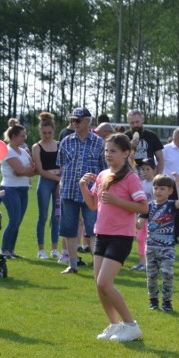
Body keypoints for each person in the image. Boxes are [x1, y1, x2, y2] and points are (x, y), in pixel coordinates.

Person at [80, 133, 148, 342]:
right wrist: (83, 186)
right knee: (99, 284)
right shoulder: (102, 175)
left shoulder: (131, 178)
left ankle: (131, 325)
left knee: (104, 283)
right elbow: (93, 205)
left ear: (126, 153)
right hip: (101, 234)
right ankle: (114, 324)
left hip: (121, 236)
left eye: (113, 151)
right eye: (107, 150)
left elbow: (143, 207)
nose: (108, 154)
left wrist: (118, 200)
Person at [57, 107, 105, 273]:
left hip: (91, 193)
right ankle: (73, 264)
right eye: (72, 120)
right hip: (69, 190)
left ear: (87, 121)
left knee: (93, 230)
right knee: (69, 229)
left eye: (77, 120)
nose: (74, 123)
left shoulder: (99, 142)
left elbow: (104, 169)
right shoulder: (66, 141)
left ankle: (97, 266)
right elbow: (62, 166)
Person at [142, 173, 179, 312]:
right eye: (156, 188)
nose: (158, 191)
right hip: (150, 247)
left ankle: (167, 302)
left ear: (170, 191)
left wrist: (177, 181)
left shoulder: (171, 205)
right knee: (151, 276)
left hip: (167, 248)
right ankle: (153, 301)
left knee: (167, 274)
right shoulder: (147, 206)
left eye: (162, 188)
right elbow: (139, 224)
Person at [0, 119, 35, 257]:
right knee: (14, 220)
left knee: (18, 221)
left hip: (23, 189)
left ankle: (10, 250)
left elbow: (33, 169)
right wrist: (24, 170)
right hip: (10, 188)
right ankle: (3, 250)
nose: (25, 138)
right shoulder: (7, 151)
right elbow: (21, 170)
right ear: (14, 136)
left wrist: (24, 170)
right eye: (22, 135)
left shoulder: (24, 151)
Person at [32, 112, 62, 260]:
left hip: (59, 182)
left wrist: (60, 181)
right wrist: (57, 178)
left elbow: (64, 164)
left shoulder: (59, 145)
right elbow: (41, 170)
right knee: (42, 216)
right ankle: (41, 249)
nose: (47, 135)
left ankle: (55, 248)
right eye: (44, 133)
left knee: (56, 216)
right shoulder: (36, 147)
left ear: (54, 130)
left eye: (49, 132)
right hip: (45, 182)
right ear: (40, 131)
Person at [131, 160, 156, 271]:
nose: (145, 172)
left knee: (151, 239)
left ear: (154, 170)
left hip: (154, 216)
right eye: (143, 169)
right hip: (142, 214)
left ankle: (151, 263)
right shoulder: (140, 183)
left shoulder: (156, 184)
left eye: (148, 169)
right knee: (140, 238)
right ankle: (142, 262)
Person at [129, 109, 164, 173]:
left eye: (137, 122)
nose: (135, 125)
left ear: (142, 120)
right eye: (132, 123)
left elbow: (160, 159)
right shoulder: (125, 137)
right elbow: (120, 158)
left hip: (149, 174)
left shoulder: (152, 136)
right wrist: (130, 146)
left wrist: (158, 175)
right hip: (130, 173)